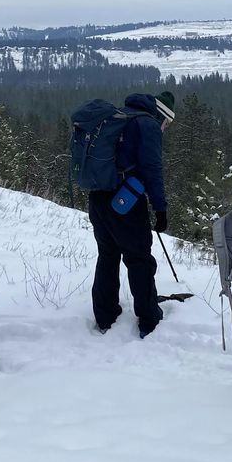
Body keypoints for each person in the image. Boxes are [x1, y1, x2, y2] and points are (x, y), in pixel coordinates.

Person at [89, 91, 176, 338]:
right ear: (162, 115)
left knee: (107, 255)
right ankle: (149, 318)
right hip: (125, 201)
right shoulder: (147, 125)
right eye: (167, 123)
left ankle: (105, 316)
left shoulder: (117, 116)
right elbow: (152, 170)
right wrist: (160, 208)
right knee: (139, 258)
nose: (165, 127)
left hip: (97, 197)